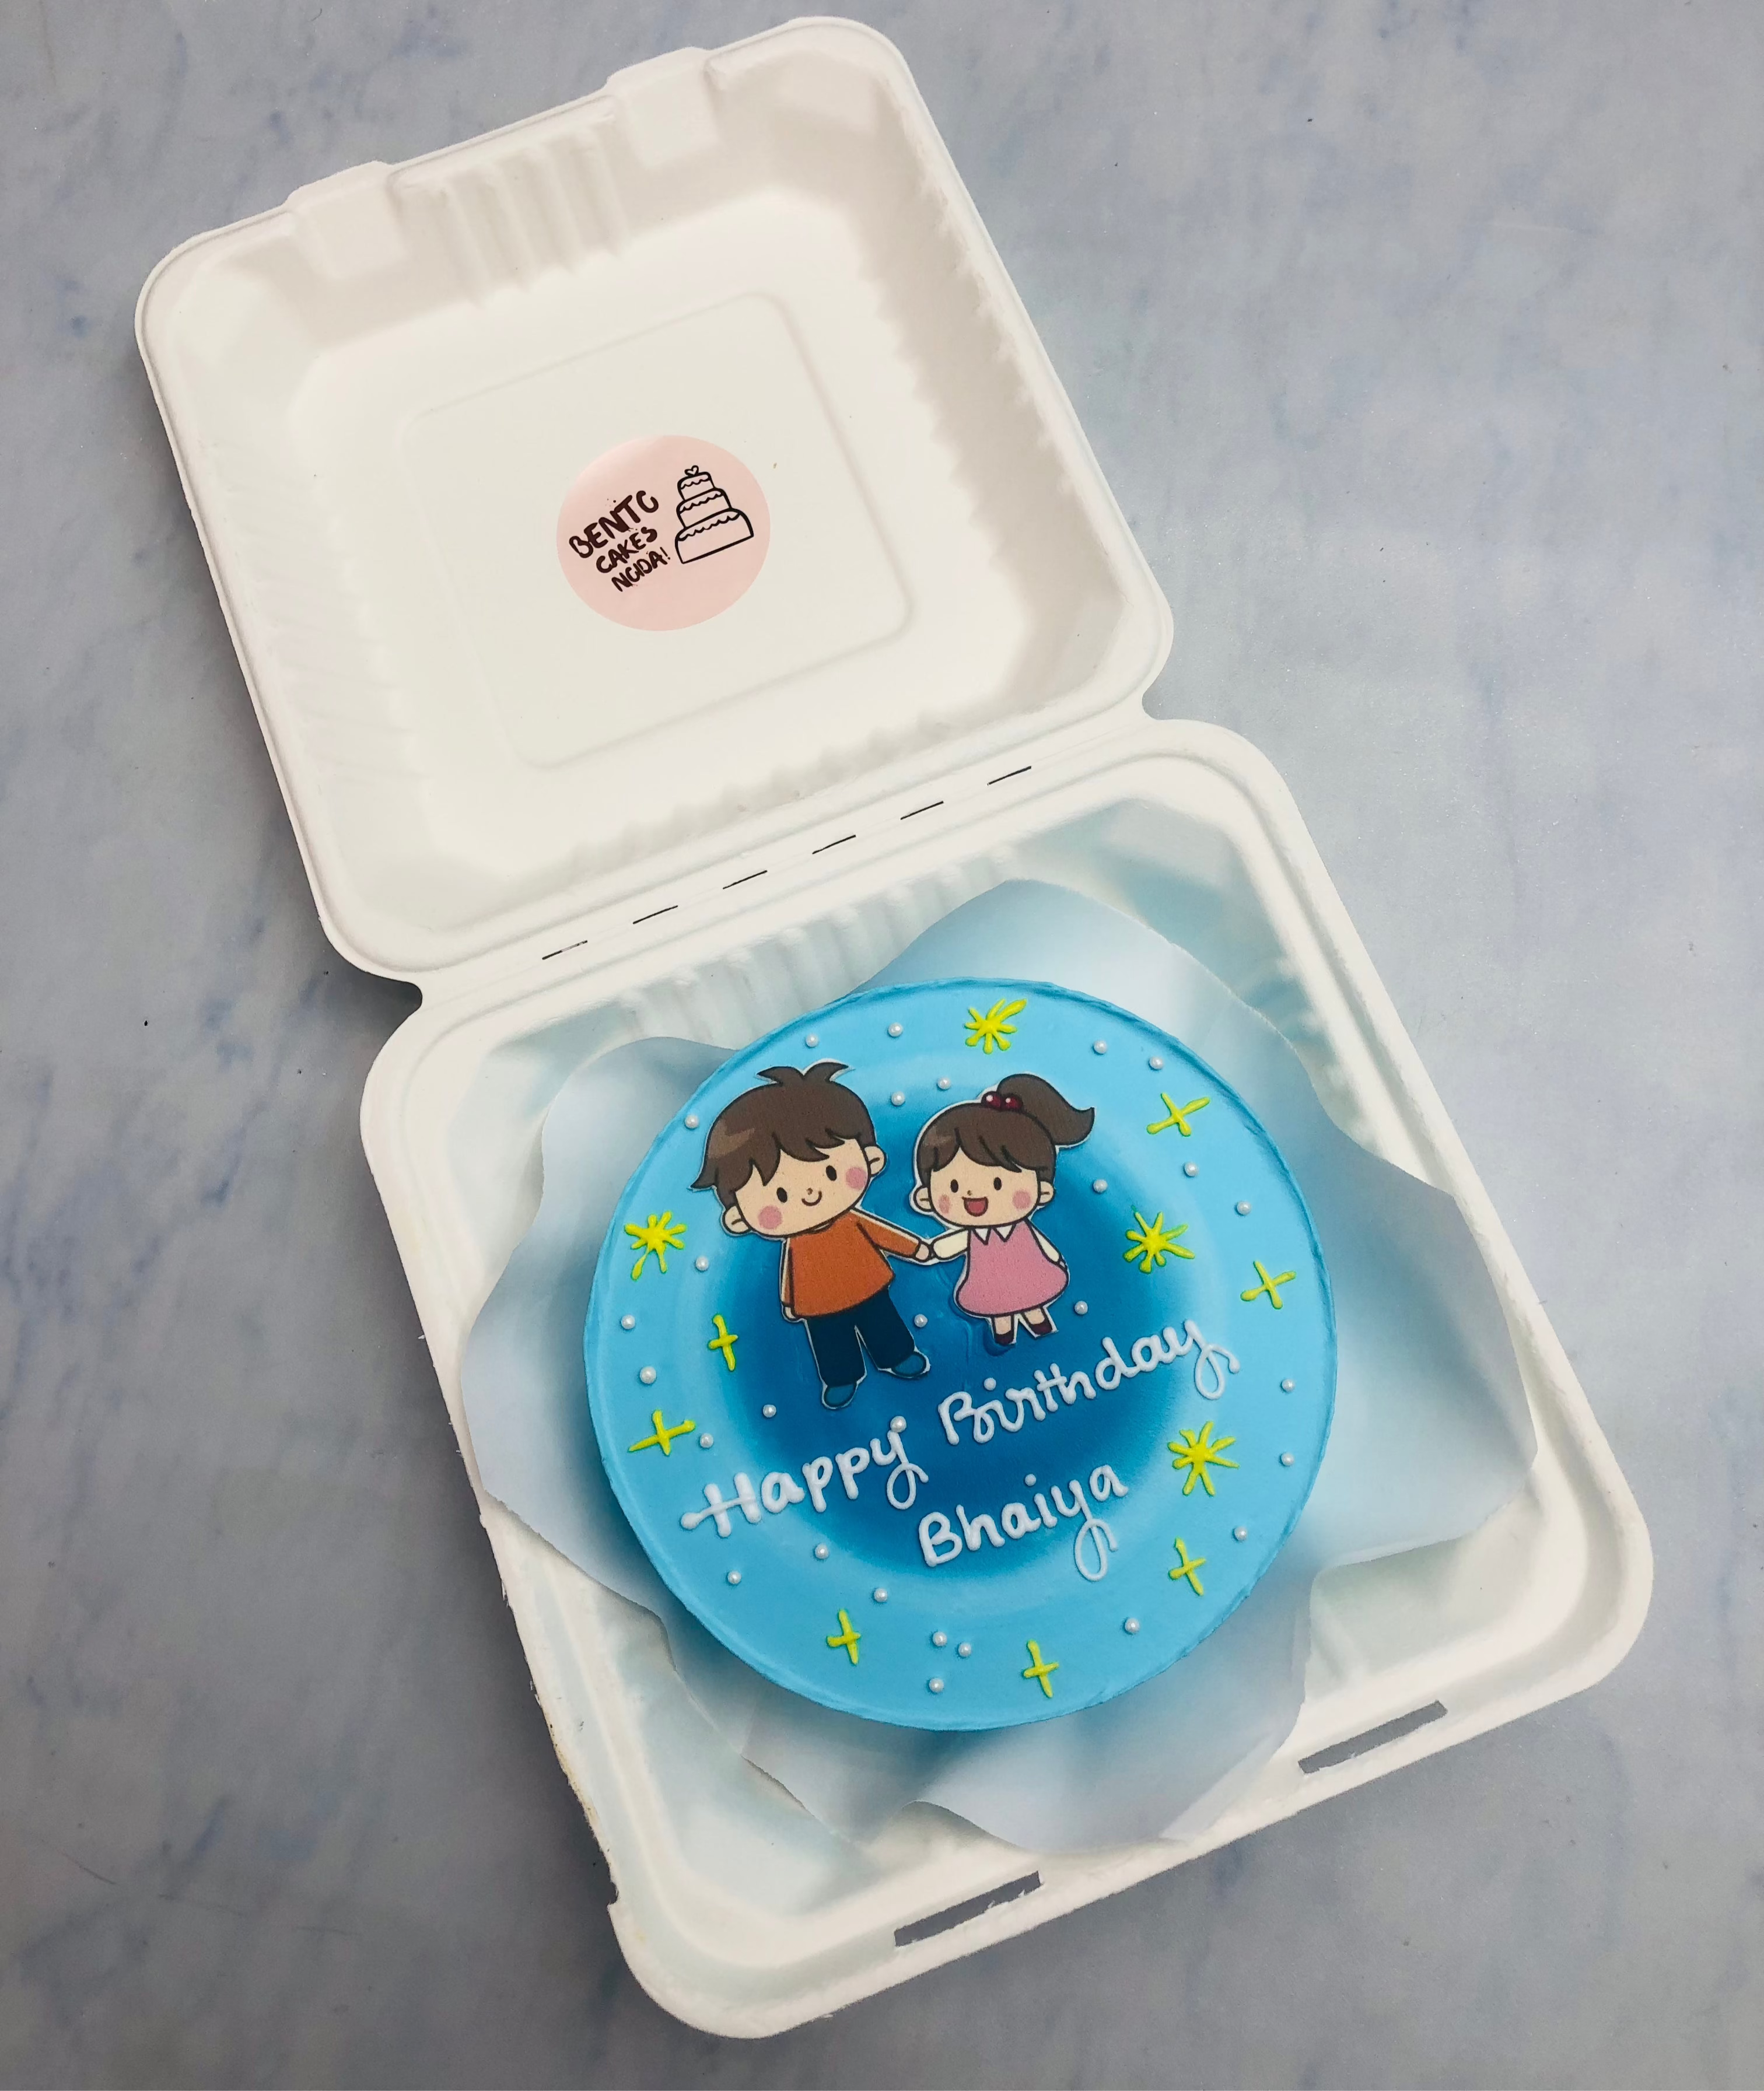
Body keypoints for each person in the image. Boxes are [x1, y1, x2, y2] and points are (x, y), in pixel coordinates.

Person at [692, 1062, 932, 1409]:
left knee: (884, 1324)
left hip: (867, 1285)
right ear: (739, 1218)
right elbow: (791, 1270)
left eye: (831, 1171)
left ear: (871, 1159)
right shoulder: (796, 1243)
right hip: (819, 1304)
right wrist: (789, 1302)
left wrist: (915, 1249)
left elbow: (882, 1235)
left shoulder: (852, 1221)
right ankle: (841, 1378)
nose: (809, 1195)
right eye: (781, 1196)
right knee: (829, 1343)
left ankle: (898, 1356)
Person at [909, 1074, 1094, 1352]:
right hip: (990, 1283)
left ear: (1042, 1190)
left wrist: (1055, 1258)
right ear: (926, 1197)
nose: (974, 1198)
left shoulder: (1022, 1228)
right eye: (955, 1186)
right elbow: (952, 1244)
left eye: (998, 1184)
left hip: (1030, 1273)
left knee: (1034, 1300)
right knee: (999, 1309)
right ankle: (1004, 1335)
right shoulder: (973, 1234)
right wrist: (934, 1250)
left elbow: (1044, 1245)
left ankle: (1040, 1324)